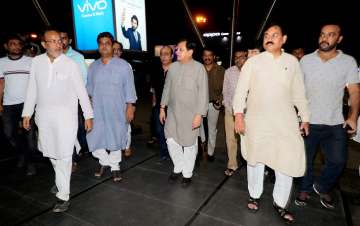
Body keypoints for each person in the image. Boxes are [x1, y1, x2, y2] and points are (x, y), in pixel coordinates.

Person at [233, 24, 310, 223]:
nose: (269, 38)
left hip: (285, 122)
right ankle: (254, 195)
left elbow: (299, 93)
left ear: (283, 39)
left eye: (274, 35)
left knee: (286, 162)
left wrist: (305, 118)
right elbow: (241, 91)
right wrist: (239, 116)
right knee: (255, 160)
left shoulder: (292, 62)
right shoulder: (253, 62)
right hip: (256, 121)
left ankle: (280, 203)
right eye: (266, 35)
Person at [22, 29, 93, 212]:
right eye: (52, 41)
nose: (58, 44)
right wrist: (27, 113)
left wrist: (88, 115)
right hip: (43, 118)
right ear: (44, 45)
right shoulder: (36, 63)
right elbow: (32, 89)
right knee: (51, 153)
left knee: (64, 155)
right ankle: (60, 181)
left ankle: (63, 195)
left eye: (59, 40)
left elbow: (81, 91)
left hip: (66, 119)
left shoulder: (70, 64)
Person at [296, 23, 360, 209]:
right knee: (305, 160)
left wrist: (352, 117)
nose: (325, 38)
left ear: (339, 39)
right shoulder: (306, 60)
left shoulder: (348, 62)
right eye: (322, 34)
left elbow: (355, 93)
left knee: (338, 161)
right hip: (308, 121)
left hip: (335, 123)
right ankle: (305, 188)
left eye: (331, 35)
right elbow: (297, 90)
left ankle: (322, 186)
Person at [86, 32, 137, 182]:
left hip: (117, 109)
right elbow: (89, 90)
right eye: (101, 43)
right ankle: (104, 162)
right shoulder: (93, 67)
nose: (104, 46)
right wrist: (88, 112)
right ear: (98, 46)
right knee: (94, 138)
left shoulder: (123, 65)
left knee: (115, 138)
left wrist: (130, 107)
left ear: (112, 45)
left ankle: (114, 166)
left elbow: (130, 88)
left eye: (107, 43)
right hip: (97, 110)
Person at [160, 39, 208, 187]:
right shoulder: (173, 67)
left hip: (191, 114)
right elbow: (167, 88)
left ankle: (187, 173)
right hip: (173, 113)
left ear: (190, 52)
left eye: (180, 49)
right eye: (177, 49)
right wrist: (162, 107)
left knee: (189, 145)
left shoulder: (199, 68)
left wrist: (199, 114)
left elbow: (203, 93)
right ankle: (178, 166)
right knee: (170, 139)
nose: (177, 52)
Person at [0, 34, 37, 176]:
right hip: (9, 105)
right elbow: (1, 84)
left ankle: (30, 162)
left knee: (29, 136)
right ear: (6, 46)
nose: (16, 46)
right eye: (12, 43)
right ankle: (22, 154)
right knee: (9, 134)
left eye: (18, 44)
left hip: (27, 104)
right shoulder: (1, 62)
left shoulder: (30, 61)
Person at [60, 30, 89, 172]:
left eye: (64, 38)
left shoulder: (77, 57)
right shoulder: (51, 57)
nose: (61, 41)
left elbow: (83, 80)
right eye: (58, 39)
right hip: (57, 102)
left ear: (69, 40)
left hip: (74, 100)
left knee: (76, 129)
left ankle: (79, 151)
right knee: (64, 131)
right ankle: (72, 158)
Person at [222, 49, 247, 176]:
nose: (238, 59)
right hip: (230, 111)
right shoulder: (229, 72)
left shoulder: (252, 70)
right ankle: (232, 164)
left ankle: (252, 164)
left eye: (241, 57)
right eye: (236, 57)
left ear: (246, 57)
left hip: (248, 112)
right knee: (230, 139)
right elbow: (225, 91)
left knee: (248, 139)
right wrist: (228, 106)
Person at [199, 47, 225, 162]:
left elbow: (225, 88)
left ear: (214, 57)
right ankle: (201, 147)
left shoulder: (221, 70)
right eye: (205, 55)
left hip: (214, 104)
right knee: (198, 127)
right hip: (199, 103)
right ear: (202, 57)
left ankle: (210, 152)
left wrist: (220, 100)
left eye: (210, 55)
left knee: (212, 128)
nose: (207, 57)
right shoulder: (197, 68)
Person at [151, 45, 173, 162]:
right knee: (159, 130)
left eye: (166, 54)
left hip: (173, 106)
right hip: (159, 105)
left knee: (172, 131)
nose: (164, 57)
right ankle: (164, 151)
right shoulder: (156, 70)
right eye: (162, 54)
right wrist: (154, 101)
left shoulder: (176, 70)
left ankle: (172, 151)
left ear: (171, 56)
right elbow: (153, 87)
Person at [113, 40, 133, 157]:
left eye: (118, 50)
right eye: (114, 49)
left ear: (121, 52)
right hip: (109, 102)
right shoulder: (104, 64)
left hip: (124, 102)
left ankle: (126, 145)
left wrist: (131, 105)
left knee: (126, 126)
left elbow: (131, 87)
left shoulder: (126, 66)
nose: (116, 52)